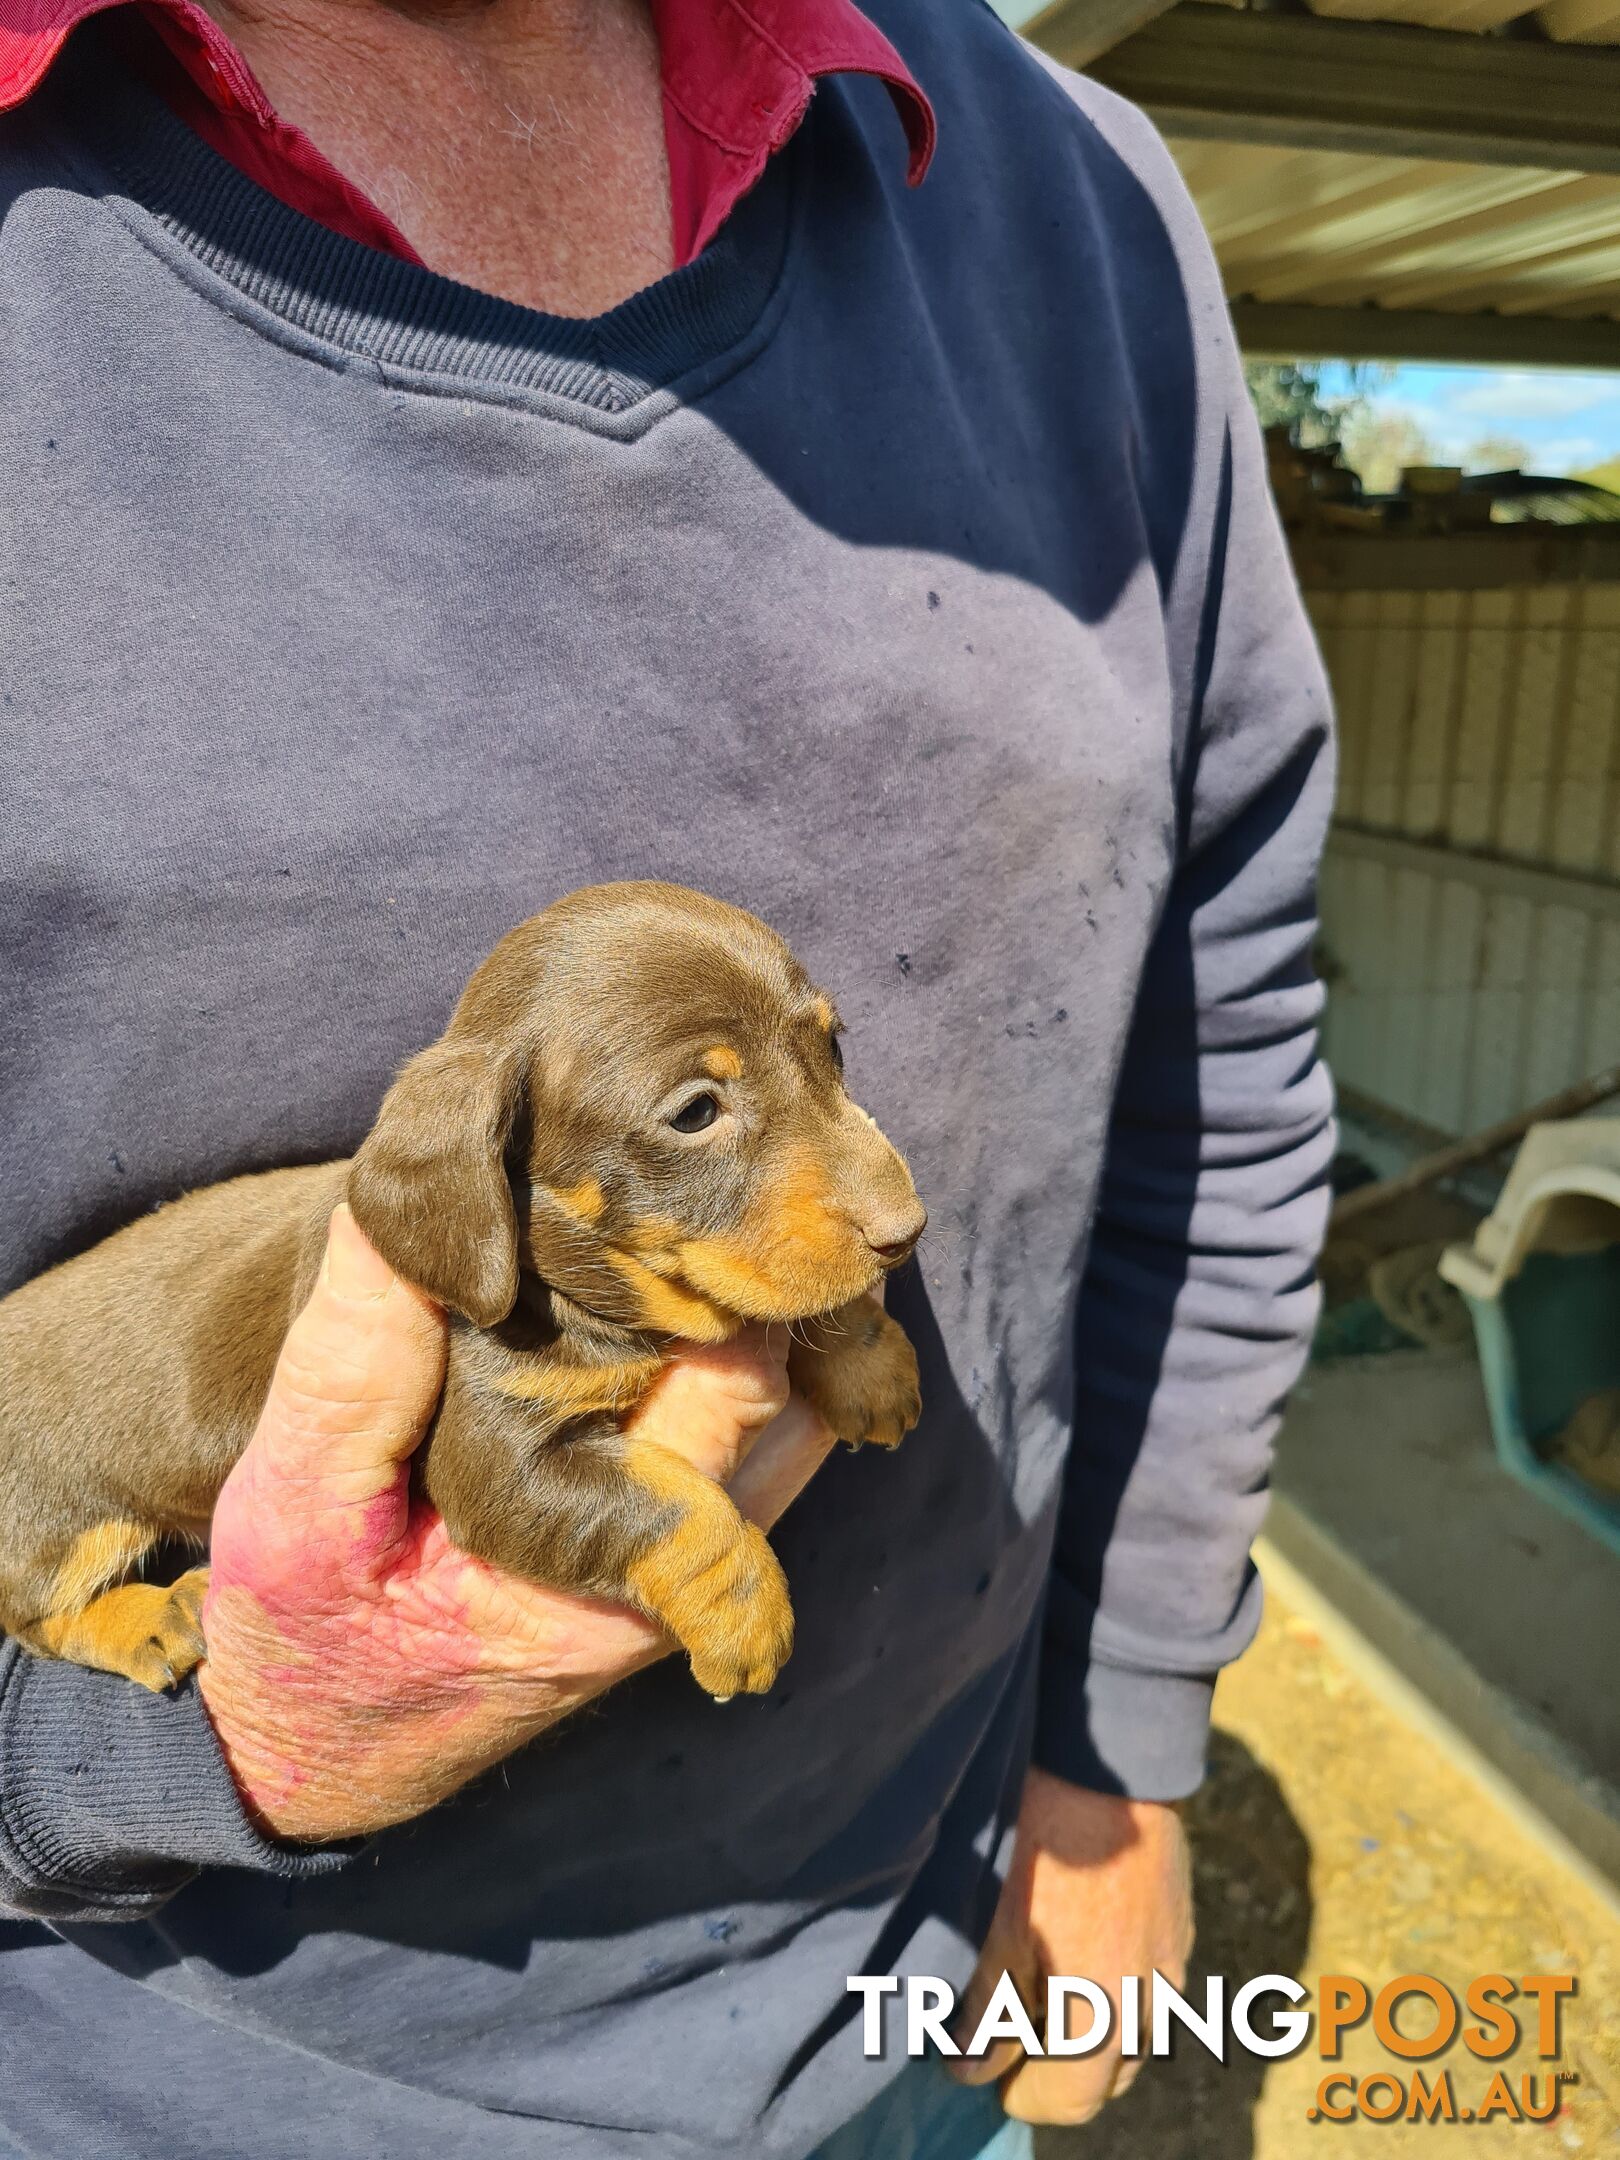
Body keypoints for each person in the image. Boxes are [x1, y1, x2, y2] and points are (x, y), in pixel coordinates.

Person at [0, 0, 1335, 2151]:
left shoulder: (1073, 199)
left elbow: (1228, 1034)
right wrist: (137, 1759)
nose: (882, 1198)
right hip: (166, 2091)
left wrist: (1114, 1746)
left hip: (930, 1989)